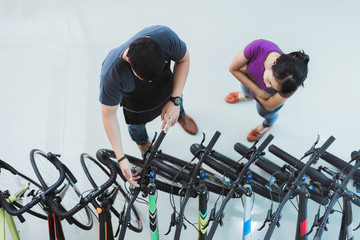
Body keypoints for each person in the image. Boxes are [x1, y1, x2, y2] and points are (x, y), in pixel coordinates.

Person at [99, 25, 198, 187]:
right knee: (137, 128)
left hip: (168, 91)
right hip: (136, 105)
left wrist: (175, 100)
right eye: (146, 78)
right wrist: (121, 158)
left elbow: (184, 59)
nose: (151, 82)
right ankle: (143, 143)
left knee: (179, 107)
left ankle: (181, 116)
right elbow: (108, 115)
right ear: (130, 62)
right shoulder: (111, 74)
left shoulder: (165, 36)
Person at [225, 39, 309, 142]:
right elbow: (232, 68)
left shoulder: (290, 83)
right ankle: (247, 96)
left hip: (257, 93)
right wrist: (259, 92)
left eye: (274, 88)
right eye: (269, 81)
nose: (268, 86)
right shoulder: (259, 47)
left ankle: (266, 125)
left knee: (265, 114)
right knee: (246, 91)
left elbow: (269, 106)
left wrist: (247, 70)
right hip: (256, 92)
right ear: (273, 63)